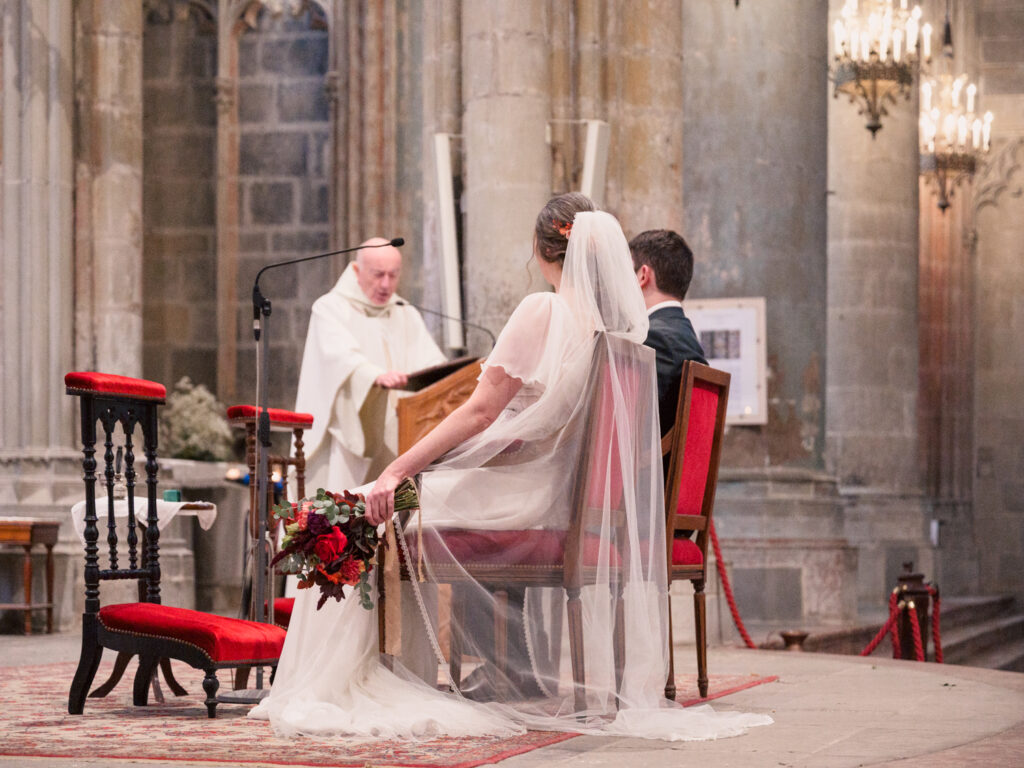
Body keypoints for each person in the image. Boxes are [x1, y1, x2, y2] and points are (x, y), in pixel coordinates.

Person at [250, 195, 771, 741]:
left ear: (542, 248)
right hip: (554, 494)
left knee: (359, 510)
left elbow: (479, 412)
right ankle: (476, 675)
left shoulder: (543, 311)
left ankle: (364, 679)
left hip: (524, 495)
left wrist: (398, 470)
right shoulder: (616, 337)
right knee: (374, 507)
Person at [293, 238, 447, 494]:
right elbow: (341, 357)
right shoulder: (330, 308)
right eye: (378, 275)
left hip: (403, 432)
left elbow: (432, 363)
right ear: (356, 271)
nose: (386, 284)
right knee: (347, 512)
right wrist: (375, 377)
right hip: (351, 431)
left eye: (393, 275)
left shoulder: (404, 312)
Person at [630, 229, 708, 436]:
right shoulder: (683, 334)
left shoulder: (655, 339)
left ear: (643, 275)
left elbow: (628, 428)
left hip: (649, 467)